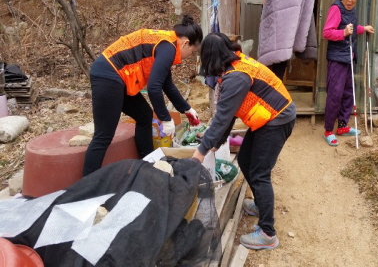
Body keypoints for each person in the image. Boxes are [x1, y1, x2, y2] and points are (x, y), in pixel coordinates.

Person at [191, 33, 296, 250]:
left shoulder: (236, 77)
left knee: (260, 173)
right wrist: (217, 141)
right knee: (246, 161)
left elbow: (222, 118)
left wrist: (199, 154)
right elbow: (230, 113)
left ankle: (268, 233)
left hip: (277, 119)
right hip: (267, 118)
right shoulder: (233, 66)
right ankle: (260, 204)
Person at [83, 15, 203, 176]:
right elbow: (153, 87)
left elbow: (167, 84)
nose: (189, 55)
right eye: (192, 51)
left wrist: (186, 109)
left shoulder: (168, 44)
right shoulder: (168, 48)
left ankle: (147, 164)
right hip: (108, 75)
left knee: (145, 116)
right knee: (103, 135)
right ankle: (88, 182)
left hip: (120, 78)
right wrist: (166, 119)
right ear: (186, 43)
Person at [322, 0, 375, 146]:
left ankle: (343, 126)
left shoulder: (351, 10)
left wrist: (363, 28)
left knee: (348, 93)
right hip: (337, 58)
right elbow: (327, 32)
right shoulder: (336, 9)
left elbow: (351, 28)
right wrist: (343, 33)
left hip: (349, 57)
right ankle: (328, 130)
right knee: (335, 95)